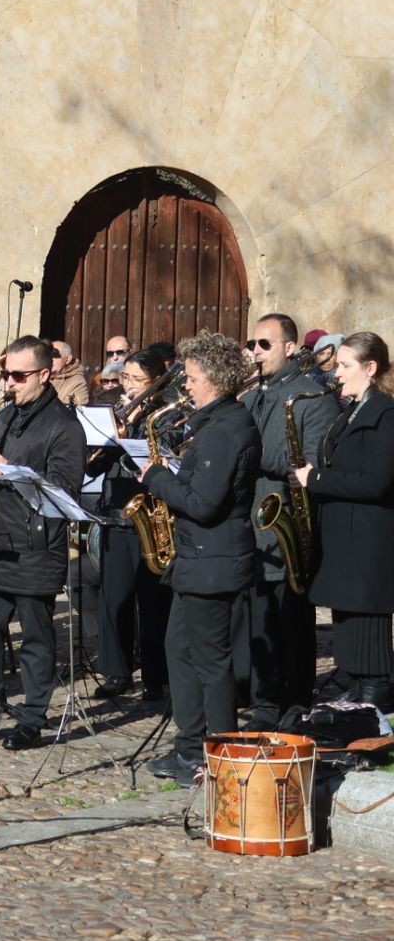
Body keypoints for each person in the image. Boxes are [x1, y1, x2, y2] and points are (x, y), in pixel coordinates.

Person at [0, 335, 85, 750]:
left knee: (37, 639)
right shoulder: (6, 415)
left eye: (19, 375)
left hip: (37, 545)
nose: (10, 382)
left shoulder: (64, 426)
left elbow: (65, 490)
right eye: (8, 374)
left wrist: (10, 471)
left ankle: (31, 718)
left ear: (46, 374)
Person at [141, 331, 261, 787]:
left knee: (210, 663)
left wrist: (155, 477)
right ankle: (189, 746)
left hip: (213, 560)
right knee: (179, 649)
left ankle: (220, 754)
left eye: (191, 377)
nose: (186, 385)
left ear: (212, 378)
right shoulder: (222, 423)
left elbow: (204, 504)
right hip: (199, 561)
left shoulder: (223, 432)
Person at [241, 313, 334, 725]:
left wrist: (247, 455)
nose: (255, 352)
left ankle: (295, 702)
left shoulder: (312, 397)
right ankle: (263, 703)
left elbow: (309, 461)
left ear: (290, 347)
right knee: (259, 621)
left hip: (288, 527)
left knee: (290, 624)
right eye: (252, 345)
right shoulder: (252, 393)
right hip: (251, 525)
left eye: (264, 344)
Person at [296, 331, 394, 711]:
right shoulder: (353, 408)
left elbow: (377, 481)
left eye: (344, 365)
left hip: (367, 538)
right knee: (347, 619)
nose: (336, 373)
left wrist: (317, 478)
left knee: (367, 622)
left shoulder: (385, 414)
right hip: (345, 535)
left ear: (370, 368)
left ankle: (374, 698)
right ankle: (355, 683)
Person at [90, 350, 172, 702]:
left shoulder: (167, 413)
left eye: (137, 380)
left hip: (149, 513)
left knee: (153, 601)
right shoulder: (114, 411)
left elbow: (168, 456)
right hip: (115, 510)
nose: (130, 386)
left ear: (154, 382)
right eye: (126, 378)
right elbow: (91, 467)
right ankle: (117, 671)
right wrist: (110, 434)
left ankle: (157, 676)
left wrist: (135, 430)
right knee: (114, 598)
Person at [50, 341, 91, 405]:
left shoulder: (78, 381)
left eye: (55, 354)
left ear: (68, 359)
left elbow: (78, 410)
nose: (50, 359)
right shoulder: (40, 377)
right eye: (47, 354)